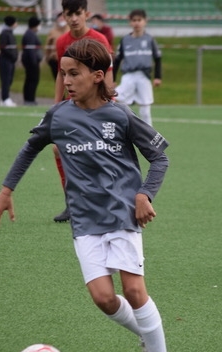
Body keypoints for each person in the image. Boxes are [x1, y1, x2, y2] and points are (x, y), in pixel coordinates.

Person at [0, 38, 178, 352]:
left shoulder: (120, 115)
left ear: (98, 76)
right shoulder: (59, 116)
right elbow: (30, 148)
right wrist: (6, 190)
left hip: (122, 214)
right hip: (84, 220)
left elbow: (160, 158)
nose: (67, 81)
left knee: (134, 291)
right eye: (63, 74)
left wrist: (144, 194)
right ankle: (147, 335)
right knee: (103, 298)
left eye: (74, 74)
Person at [52, 0, 113, 223]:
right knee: (58, 149)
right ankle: (73, 203)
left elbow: (108, 72)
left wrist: (108, 103)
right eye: (69, 14)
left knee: (99, 152)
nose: (73, 18)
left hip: (97, 105)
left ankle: (108, 201)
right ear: (64, 15)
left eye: (77, 13)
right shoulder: (62, 42)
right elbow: (61, 75)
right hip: (73, 106)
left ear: (86, 14)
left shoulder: (99, 40)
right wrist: (56, 106)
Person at [114, 9, 161, 126]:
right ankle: (124, 129)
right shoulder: (125, 40)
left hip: (143, 76)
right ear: (130, 22)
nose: (137, 23)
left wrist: (157, 77)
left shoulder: (149, 40)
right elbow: (117, 60)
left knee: (145, 110)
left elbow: (157, 58)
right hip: (128, 76)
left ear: (145, 21)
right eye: (134, 20)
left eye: (139, 20)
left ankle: (149, 134)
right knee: (119, 101)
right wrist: (112, 79)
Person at [21, 16, 42, 106]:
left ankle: (29, 98)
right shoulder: (30, 35)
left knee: (30, 79)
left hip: (31, 61)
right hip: (31, 62)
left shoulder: (30, 33)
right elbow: (31, 50)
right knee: (32, 80)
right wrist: (34, 62)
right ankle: (29, 99)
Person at [0, 15, 18, 107]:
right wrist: (12, 55)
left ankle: (5, 98)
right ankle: (5, 98)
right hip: (5, 60)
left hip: (11, 61)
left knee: (9, 79)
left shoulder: (10, 33)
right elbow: (3, 47)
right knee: (5, 80)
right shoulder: (4, 34)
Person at [44, 12, 68, 80]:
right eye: (60, 19)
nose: (62, 20)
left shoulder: (70, 30)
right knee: (58, 79)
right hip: (55, 59)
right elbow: (48, 45)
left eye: (63, 19)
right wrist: (48, 57)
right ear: (57, 20)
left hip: (68, 59)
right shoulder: (53, 32)